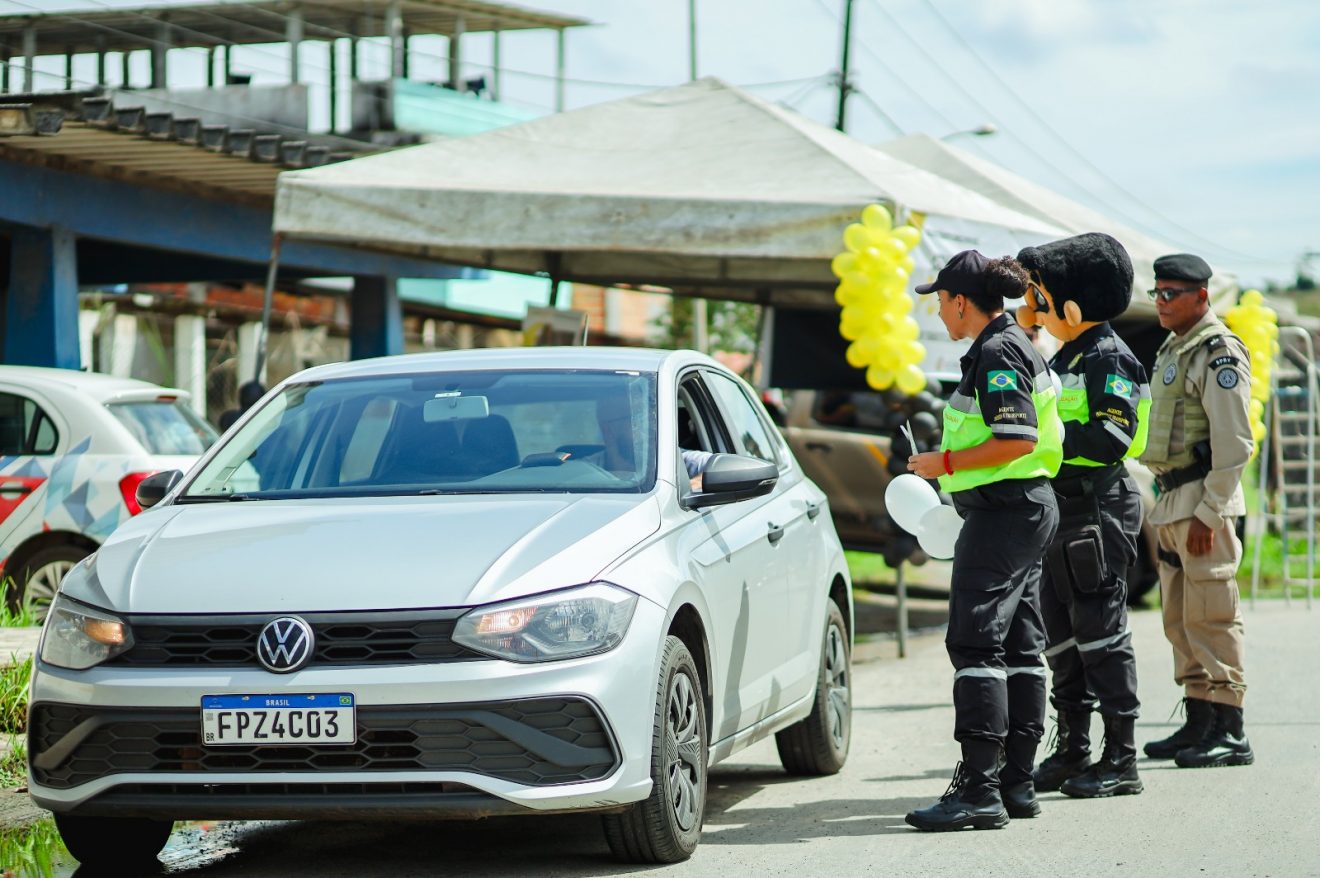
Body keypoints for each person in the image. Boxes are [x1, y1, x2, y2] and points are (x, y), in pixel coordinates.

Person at [904, 250, 1062, 831]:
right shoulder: (1013, 343)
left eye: (941, 300)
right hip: (1021, 510)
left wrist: (941, 462)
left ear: (962, 301)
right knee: (1019, 646)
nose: (940, 311)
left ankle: (979, 789)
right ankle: (1015, 783)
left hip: (1005, 512)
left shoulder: (998, 351)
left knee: (975, 646)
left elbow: (1015, 439)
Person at [1015, 233, 1148, 798]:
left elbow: (1113, 434)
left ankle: (1121, 758)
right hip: (1061, 511)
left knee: (1101, 630)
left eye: (1039, 298)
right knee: (1062, 635)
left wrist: (1046, 445)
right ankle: (1073, 747)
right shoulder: (1064, 354)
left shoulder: (1109, 357)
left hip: (1097, 508)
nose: (1032, 308)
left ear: (1071, 306)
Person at [1137, 253, 1254, 768]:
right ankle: (1198, 720)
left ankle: (1230, 729)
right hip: (1171, 500)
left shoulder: (1218, 352)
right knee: (1181, 618)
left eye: (1172, 294)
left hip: (1204, 502)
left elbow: (1235, 445)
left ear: (1202, 297)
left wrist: (1211, 512)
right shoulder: (1175, 346)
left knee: (1212, 615)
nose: (1161, 302)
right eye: (1157, 293)